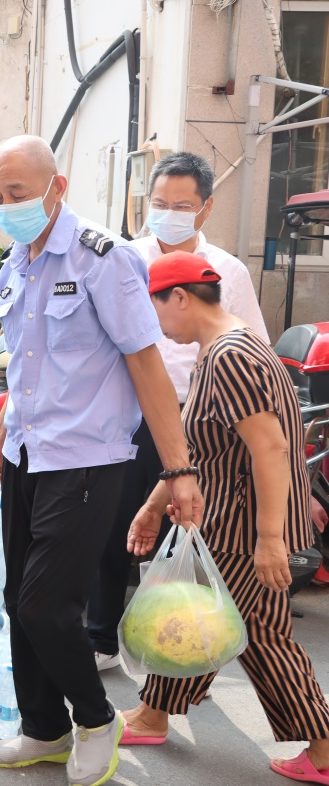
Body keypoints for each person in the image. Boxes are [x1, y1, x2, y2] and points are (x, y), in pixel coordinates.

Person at [0, 135, 203, 786]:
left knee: (48, 604)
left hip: (85, 458)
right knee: (20, 600)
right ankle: (40, 729)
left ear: (57, 186)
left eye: (16, 192)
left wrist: (176, 469)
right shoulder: (15, 264)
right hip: (25, 452)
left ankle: (96, 719)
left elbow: (145, 364)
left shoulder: (104, 258)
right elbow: (25, 367)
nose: (5, 205)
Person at [119, 250, 329, 784]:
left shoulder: (229, 354)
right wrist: (152, 507)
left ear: (181, 297)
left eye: (155, 309)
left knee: (216, 626)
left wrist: (269, 539)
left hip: (240, 528)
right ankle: (153, 714)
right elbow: (201, 447)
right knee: (231, 629)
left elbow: (271, 448)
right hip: (235, 520)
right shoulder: (230, 345)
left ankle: (151, 715)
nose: (156, 326)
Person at [89, 151, 269, 672]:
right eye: (160, 203)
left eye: (182, 204)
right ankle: (102, 637)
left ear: (206, 208)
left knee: (187, 528)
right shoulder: (125, 258)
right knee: (116, 520)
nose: (168, 213)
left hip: (201, 418)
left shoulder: (228, 271)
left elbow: (250, 340)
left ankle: (184, 649)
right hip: (132, 414)